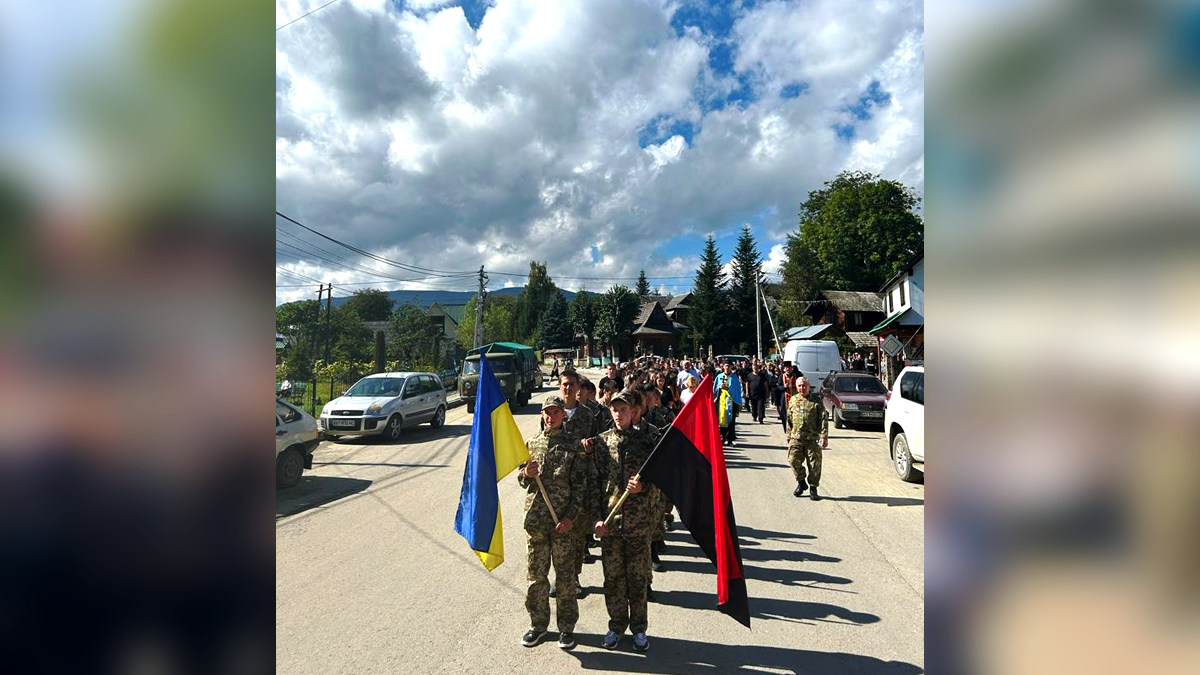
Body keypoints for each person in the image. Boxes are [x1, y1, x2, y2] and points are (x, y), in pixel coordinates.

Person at [589, 390, 660, 652]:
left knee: (638, 579)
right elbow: (594, 484)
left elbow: (658, 482)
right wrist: (595, 519)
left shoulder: (647, 442)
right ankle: (616, 625)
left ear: (633, 412)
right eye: (615, 410)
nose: (619, 414)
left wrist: (644, 488)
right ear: (610, 412)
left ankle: (639, 628)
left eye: (624, 409)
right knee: (613, 580)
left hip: (638, 524)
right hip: (610, 524)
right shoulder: (601, 443)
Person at [517, 396, 589, 649]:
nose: (551, 417)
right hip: (536, 522)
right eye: (547, 412)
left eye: (556, 412)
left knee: (565, 578)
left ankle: (567, 628)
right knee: (536, 577)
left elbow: (581, 487)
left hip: (563, 524)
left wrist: (571, 518)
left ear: (563, 415)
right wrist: (526, 473)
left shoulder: (573, 445)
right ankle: (537, 625)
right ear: (542, 414)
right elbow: (521, 480)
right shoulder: (531, 444)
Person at [787, 378, 828, 501]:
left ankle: (813, 488)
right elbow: (789, 419)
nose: (802, 388)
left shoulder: (816, 401)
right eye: (799, 386)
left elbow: (823, 419)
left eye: (804, 386)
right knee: (793, 460)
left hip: (812, 438)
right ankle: (801, 482)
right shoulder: (793, 400)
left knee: (815, 465)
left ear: (809, 386)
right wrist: (789, 435)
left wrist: (824, 436)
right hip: (796, 437)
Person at [714, 362, 743, 446]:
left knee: (731, 420)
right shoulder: (719, 377)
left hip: (731, 401)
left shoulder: (734, 378)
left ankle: (730, 439)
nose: (727, 367)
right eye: (726, 366)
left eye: (729, 366)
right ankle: (722, 437)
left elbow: (737, 389)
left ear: (731, 367)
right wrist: (719, 388)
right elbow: (714, 389)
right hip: (721, 401)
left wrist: (729, 389)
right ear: (723, 367)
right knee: (721, 419)